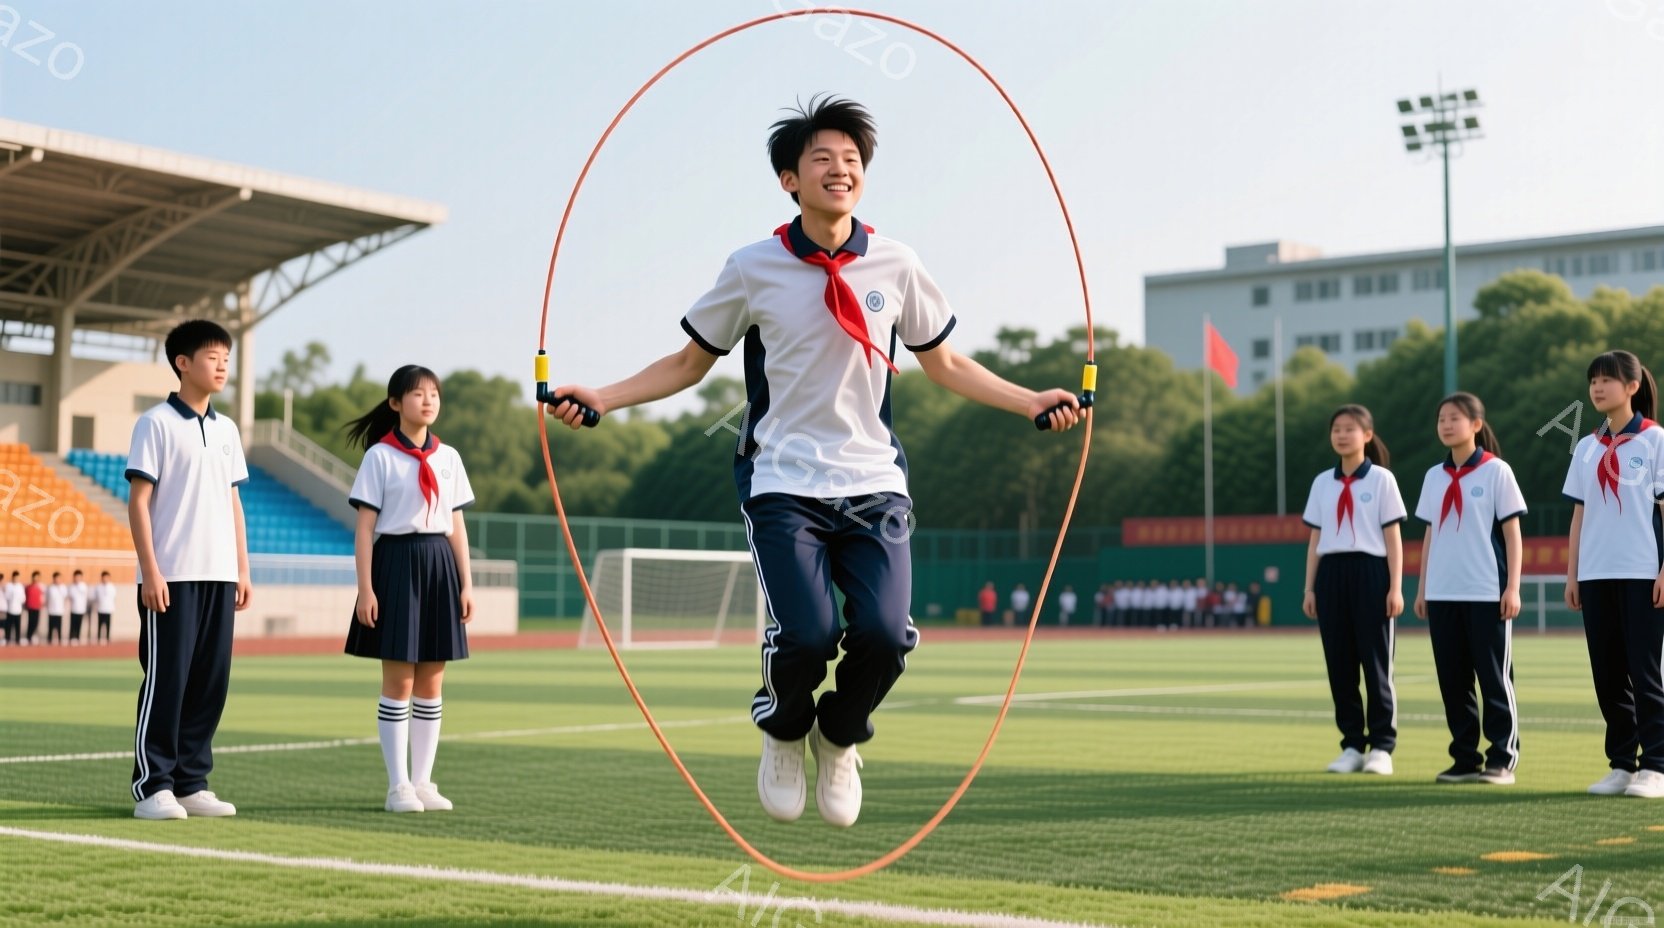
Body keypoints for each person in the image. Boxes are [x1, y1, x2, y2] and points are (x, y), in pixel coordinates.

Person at [546, 96, 1082, 828]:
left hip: (874, 482)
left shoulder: (897, 263)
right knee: (806, 634)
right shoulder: (752, 267)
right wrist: (602, 397)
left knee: (886, 635)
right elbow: (687, 363)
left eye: (852, 160)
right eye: (822, 158)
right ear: (788, 180)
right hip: (782, 482)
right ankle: (784, 728)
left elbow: (947, 363)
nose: (840, 169)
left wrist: (1030, 400)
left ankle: (838, 736)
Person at [126, 320, 252, 821]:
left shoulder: (227, 430)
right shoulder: (155, 423)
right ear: (183, 363)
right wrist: (150, 570)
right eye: (212, 357)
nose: (222, 366)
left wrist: (242, 569)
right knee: (167, 681)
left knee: (209, 683)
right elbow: (139, 501)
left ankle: (191, 782)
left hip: (219, 574)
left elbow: (234, 502)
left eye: (226, 358)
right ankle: (152, 785)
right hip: (172, 576)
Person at [344, 365, 476, 815]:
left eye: (434, 393)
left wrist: (466, 583)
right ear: (395, 403)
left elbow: (457, 525)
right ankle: (397, 785)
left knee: (432, 680)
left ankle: (423, 781)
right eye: (418, 394)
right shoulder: (379, 457)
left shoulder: (449, 457)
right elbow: (365, 529)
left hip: (439, 566)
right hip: (396, 564)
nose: (428, 400)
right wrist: (366, 588)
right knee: (399, 679)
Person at [1563, 351, 1664, 799]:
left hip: (1642, 572)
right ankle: (1622, 764)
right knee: (1607, 674)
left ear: (1633, 386)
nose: (1597, 388)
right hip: (1595, 574)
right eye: (1593, 381)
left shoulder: (1655, 440)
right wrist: (1573, 575)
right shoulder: (1586, 447)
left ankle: (1656, 765)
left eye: (1606, 380)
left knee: (1646, 673)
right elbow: (1579, 515)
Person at [1412, 392, 1525, 787]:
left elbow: (1512, 534)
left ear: (1476, 424)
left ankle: (1502, 758)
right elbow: (1431, 534)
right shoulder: (1434, 476)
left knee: (1494, 678)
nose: (1446, 425)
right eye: (1441, 419)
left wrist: (1512, 587)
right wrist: (1423, 587)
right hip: (1443, 592)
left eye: (1454, 418)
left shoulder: (1496, 472)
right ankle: (1464, 758)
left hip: (1486, 591)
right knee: (1453, 680)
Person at [1302, 404, 1406, 776]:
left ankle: (1382, 746)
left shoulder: (1381, 480)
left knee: (1375, 663)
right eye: (1336, 429)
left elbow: (1393, 538)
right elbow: (1315, 538)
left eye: (1350, 429)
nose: (1342, 435)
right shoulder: (1322, 483)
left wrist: (1395, 587)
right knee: (1339, 664)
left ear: (1367, 435)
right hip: (1331, 573)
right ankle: (1351, 745)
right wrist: (1310, 587)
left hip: (1370, 571)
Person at [94, 570, 117, 643]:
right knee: (100, 624)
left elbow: (113, 597)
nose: (105, 579)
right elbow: (96, 597)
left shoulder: (112, 587)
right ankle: (98, 638)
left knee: (108, 625)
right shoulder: (98, 587)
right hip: (100, 609)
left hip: (108, 609)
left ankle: (107, 638)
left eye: (106, 577)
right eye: (104, 577)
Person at [44, 571, 67, 644]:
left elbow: (65, 596)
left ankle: (59, 640)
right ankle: (49, 640)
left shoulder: (63, 587)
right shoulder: (50, 587)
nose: (57, 580)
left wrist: (59, 587)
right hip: (51, 610)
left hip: (59, 610)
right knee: (50, 627)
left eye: (59, 578)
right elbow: (47, 597)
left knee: (59, 627)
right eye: (56, 578)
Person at [68, 568, 89, 645]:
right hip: (73, 609)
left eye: (79, 577)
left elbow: (85, 596)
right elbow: (70, 596)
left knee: (79, 624)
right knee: (72, 624)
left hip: (81, 609)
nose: (77, 578)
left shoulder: (84, 586)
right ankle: (71, 638)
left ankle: (77, 637)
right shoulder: (71, 586)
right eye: (76, 577)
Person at [2, 571, 22, 646]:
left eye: (17, 578)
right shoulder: (9, 586)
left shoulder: (20, 586)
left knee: (17, 626)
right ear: (13, 577)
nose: (16, 579)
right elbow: (6, 596)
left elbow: (23, 598)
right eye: (15, 578)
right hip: (10, 609)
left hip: (18, 610)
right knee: (8, 626)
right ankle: (7, 639)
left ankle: (17, 639)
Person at [24, 571, 42, 644]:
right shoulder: (28, 587)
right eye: (35, 577)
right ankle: (28, 636)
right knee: (30, 622)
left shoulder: (40, 587)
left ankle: (32, 635)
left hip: (37, 607)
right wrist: (26, 604)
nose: (36, 579)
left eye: (37, 577)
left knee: (36, 622)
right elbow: (25, 596)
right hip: (30, 607)